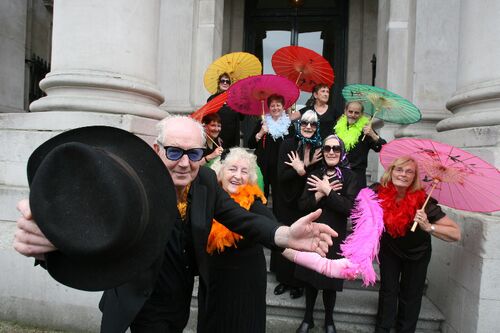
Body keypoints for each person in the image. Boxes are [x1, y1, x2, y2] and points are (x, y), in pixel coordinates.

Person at [13, 115, 338, 333]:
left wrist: (284, 234)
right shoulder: (131, 184)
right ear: (157, 150)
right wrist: (49, 244)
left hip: (176, 306)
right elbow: (91, 222)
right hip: (132, 305)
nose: (185, 163)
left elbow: (243, 219)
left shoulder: (207, 181)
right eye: (174, 151)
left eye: (194, 153)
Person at [373, 156, 461, 332]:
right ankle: (382, 329)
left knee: (411, 295)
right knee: (388, 291)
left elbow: (456, 233)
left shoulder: (424, 202)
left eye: (409, 172)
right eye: (399, 169)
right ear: (391, 172)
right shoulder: (377, 192)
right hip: (390, 248)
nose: (403, 175)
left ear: (414, 177)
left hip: (417, 253)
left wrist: (429, 226)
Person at [294, 135, 362, 333]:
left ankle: (329, 320)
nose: (331, 152)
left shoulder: (350, 177)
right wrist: (320, 192)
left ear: (341, 152)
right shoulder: (314, 174)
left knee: (331, 280)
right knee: (311, 277)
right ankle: (308, 318)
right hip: (313, 233)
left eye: (336, 149)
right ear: (322, 152)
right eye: (327, 148)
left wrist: (329, 192)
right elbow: (302, 205)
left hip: (335, 234)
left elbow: (349, 209)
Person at [204, 147, 274, 333]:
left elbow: (275, 232)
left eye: (244, 171)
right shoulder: (207, 199)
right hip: (214, 280)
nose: (238, 176)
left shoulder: (254, 205)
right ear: (220, 171)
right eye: (232, 169)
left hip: (245, 284)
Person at [271, 110, 323, 299]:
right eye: (304, 123)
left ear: (317, 127)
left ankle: (298, 283)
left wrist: (305, 168)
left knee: (301, 242)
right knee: (285, 239)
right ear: (299, 125)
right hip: (285, 200)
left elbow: (317, 178)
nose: (308, 127)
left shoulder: (320, 148)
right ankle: (284, 280)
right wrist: (301, 169)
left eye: (313, 124)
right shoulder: (288, 144)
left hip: (305, 202)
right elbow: (281, 176)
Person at [247, 93, 292, 210]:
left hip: (281, 166)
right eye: (272, 106)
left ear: (283, 107)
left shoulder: (289, 126)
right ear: (268, 108)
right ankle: (261, 219)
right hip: (263, 166)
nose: (275, 108)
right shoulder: (262, 123)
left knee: (279, 197)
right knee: (261, 194)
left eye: (278, 105)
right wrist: (260, 133)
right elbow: (250, 144)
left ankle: (278, 222)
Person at [333, 101, 387, 187]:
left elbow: (382, 148)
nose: (353, 115)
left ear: (361, 114)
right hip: (338, 174)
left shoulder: (366, 130)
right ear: (345, 111)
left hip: (357, 177)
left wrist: (373, 135)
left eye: (356, 113)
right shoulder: (337, 128)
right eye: (350, 112)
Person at [207, 73, 242, 148]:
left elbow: (242, 117)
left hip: (233, 138)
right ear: (219, 83)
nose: (225, 83)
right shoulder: (212, 99)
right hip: (218, 137)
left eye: (227, 81)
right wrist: (216, 137)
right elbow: (209, 119)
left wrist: (242, 102)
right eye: (223, 81)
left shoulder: (235, 99)